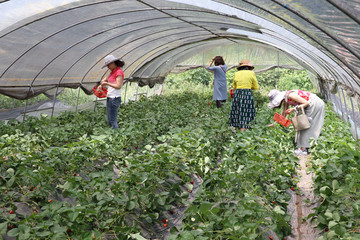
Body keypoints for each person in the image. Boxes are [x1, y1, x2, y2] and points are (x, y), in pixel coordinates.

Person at [267, 89, 325, 155]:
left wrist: (294, 109)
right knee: (303, 125)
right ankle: (304, 147)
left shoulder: (291, 95)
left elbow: (306, 103)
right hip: (310, 105)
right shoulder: (285, 99)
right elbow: (284, 114)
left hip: (314, 104)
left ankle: (303, 149)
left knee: (306, 125)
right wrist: (274, 124)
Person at [229, 59, 259, 131]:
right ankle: (243, 131)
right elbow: (256, 87)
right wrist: (248, 86)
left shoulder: (237, 74)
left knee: (238, 111)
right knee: (246, 112)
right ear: (248, 67)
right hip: (247, 94)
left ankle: (239, 130)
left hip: (238, 93)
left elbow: (234, 87)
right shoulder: (251, 73)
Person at [98, 54, 125, 129]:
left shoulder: (119, 72)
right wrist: (101, 84)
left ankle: (116, 136)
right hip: (110, 97)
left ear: (113, 63)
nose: (108, 67)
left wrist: (106, 83)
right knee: (109, 120)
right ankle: (112, 135)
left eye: (108, 65)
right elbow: (105, 79)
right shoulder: (113, 72)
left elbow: (118, 86)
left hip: (115, 98)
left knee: (113, 120)